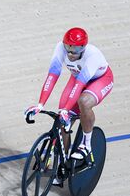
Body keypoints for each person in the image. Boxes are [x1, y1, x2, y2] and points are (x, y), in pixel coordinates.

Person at [24, 27, 114, 178]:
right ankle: (62, 166)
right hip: (77, 79)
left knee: (83, 102)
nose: (71, 53)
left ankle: (86, 144)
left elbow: (79, 85)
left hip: (100, 80)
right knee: (61, 123)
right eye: (68, 49)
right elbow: (52, 76)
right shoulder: (60, 48)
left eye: (76, 50)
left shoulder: (93, 55)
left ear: (83, 48)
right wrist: (40, 104)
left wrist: (66, 108)